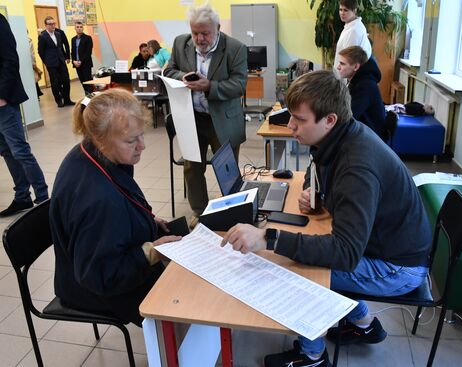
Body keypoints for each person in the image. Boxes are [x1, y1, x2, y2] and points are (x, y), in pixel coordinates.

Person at [222, 70, 432, 367]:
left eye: (300, 119)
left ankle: (312, 356)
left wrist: (269, 237)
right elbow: (318, 162)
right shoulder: (344, 134)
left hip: (399, 268)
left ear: (329, 119)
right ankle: (363, 324)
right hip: (388, 248)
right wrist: (314, 189)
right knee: (304, 253)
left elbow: (345, 254)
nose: (291, 126)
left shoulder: (357, 166)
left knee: (300, 269)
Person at [49, 89, 181, 325]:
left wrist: (147, 221)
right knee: (182, 296)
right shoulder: (98, 200)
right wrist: (151, 252)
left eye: (142, 135)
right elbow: (101, 277)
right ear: (101, 139)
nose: (142, 146)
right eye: (131, 140)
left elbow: (121, 206)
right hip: (94, 287)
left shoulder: (95, 152)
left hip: (95, 262)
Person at [164, 3, 247, 224]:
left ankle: (231, 211)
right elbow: (169, 69)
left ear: (218, 28)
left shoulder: (235, 48)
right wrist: (183, 76)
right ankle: (200, 213)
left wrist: (209, 86)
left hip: (222, 120)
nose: (199, 39)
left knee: (226, 169)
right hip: (192, 118)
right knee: (192, 168)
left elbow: (239, 85)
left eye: (205, 33)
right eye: (195, 33)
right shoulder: (181, 43)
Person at [0, 14, 49, 217]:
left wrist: (2, 95)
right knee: (6, 151)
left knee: (20, 151)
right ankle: (22, 197)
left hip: (4, 101)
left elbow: (11, 60)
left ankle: (43, 198)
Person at [337, 46, 387, 141]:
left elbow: (349, 116)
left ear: (356, 67)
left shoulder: (365, 86)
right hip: (363, 134)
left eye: (342, 64)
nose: (338, 67)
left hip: (371, 140)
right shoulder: (358, 81)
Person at [38, 16, 74, 107]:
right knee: (55, 83)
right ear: (46, 25)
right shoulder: (42, 36)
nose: (52, 25)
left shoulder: (58, 34)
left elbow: (61, 47)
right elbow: (40, 51)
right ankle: (58, 101)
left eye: (53, 23)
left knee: (66, 80)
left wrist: (65, 56)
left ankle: (67, 99)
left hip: (61, 61)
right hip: (51, 63)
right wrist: (46, 61)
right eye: (50, 24)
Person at [334, 0, 372, 69]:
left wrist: (340, 77)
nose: (342, 13)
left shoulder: (354, 31)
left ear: (354, 11)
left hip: (345, 74)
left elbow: (348, 61)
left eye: (346, 10)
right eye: (340, 10)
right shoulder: (351, 25)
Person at [71, 20, 93, 94]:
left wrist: (80, 61)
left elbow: (88, 52)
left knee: (88, 81)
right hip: (77, 64)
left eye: (81, 27)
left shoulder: (88, 38)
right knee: (82, 81)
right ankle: (87, 95)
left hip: (85, 63)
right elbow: (72, 52)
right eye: (77, 27)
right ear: (75, 28)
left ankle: (91, 97)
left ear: (83, 28)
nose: (79, 28)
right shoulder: (73, 39)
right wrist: (73, 61)